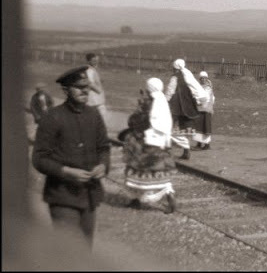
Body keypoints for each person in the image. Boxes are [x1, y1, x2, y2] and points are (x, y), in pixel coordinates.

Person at [31, 65, 111, 248]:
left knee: (85, 250)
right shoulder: (52, 117)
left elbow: (104, 148)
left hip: (89, 195)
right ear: (66, 90)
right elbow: (39, 158)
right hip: (62, 196)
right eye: (79, 87)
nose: (85, 91)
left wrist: (103, 165)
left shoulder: (94, 115)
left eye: (87, 87)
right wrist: (66, 171)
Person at [118, 78, 177, 214]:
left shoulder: (148, 103)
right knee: (159, 169)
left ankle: (136, 199)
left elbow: (137, 121)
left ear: (149, 89)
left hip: (145, 141)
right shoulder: (162, 101)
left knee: (136, 168)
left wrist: (133, 120)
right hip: (161, 143)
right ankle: (168, 192)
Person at [165, 59, 208, 160]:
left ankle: (166, 149)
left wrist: (165, 101)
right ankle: (185, 151)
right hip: (188, 105)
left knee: (170, 126)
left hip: (177, 105)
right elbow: (196, 88)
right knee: (184, 128)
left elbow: (170, 90)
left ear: (175, 68)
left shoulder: (175, 77)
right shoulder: (188, 74)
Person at [194, 71, 215, 150]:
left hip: (206, 110)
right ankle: (199, 143)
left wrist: (198, 100)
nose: (203, 79)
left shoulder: (208, 87)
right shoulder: (199, 87)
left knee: (206, 127)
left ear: (207, 79)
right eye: (201, 78)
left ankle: (207, 144)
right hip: (199, 109)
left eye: (204, 78)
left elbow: (206, 98)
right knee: (198, 126)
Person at [85, 53, 107, 122]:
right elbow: (90, 83)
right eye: (93, 60)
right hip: (95, 99)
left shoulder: (93, 70)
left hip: (96, 99)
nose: (96, 62)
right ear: (88, 61)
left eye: (96, 60)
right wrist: (99, 90)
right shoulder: (89, 70)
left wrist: (99, 81)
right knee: (102, 116)